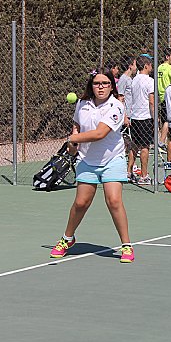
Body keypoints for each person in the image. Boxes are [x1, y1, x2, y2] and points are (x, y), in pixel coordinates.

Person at [50, 68, 134, 263]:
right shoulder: (82, 104)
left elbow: (99, 134)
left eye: (105, 83)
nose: (101, 87)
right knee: (80, 203)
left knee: (113, 201)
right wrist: (73, 144)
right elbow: (77, 125)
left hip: (112, 159)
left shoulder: (117, 106)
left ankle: (126, 245)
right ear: (92, 86)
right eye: (97, 83)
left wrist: (72, 138)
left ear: (111, 86)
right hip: (87, 160)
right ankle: (67, 239)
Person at [127, 55, 155, 185]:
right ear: (145, 66)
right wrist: (155, 118)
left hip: (135, 117)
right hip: (145, 117)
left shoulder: (133, 80)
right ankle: (144, 176)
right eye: (150, 65)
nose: (151, 67)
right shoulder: (150, 81)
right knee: (145, 147)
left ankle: (129, 173)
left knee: (134, 145)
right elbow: (151, 102)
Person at [157, 47, 171, 151]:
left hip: (161, 96)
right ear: (167, 57)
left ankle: (166, 141)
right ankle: (161, 142)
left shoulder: (159, 67)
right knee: (167, 121)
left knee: (165, 120)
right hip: (168, 97)